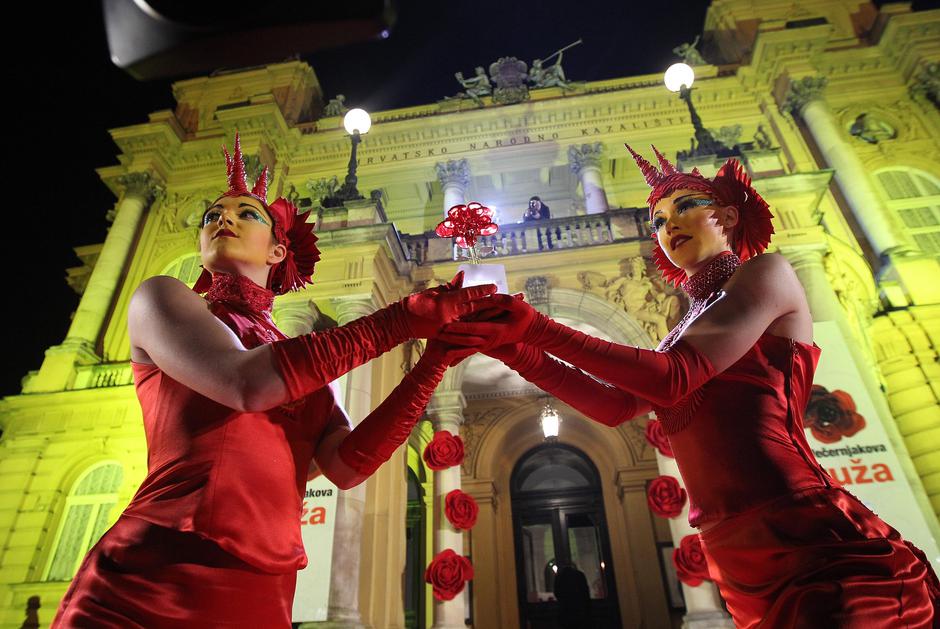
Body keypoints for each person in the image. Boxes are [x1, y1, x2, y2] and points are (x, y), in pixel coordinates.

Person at [440, 145, 939, 627]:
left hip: (808, 536)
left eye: (683, 206)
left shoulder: (767, 273)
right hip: (736, 558)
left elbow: (675, 376)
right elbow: (615, 406)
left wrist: (535, 329)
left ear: (728, 216)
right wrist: (513, 350)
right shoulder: (682, 327)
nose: (668, 225)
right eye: (656, 220)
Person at [51, 133, 493, 628]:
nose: (224, 219)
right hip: (154, 579)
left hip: (262, 594)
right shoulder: (163, 300)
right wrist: (401, 322)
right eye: (212, 215)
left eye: (247, 213)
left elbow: (346, 464)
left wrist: (434, 363)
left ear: (277, 253)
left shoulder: (297, 360)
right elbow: (246, 384)